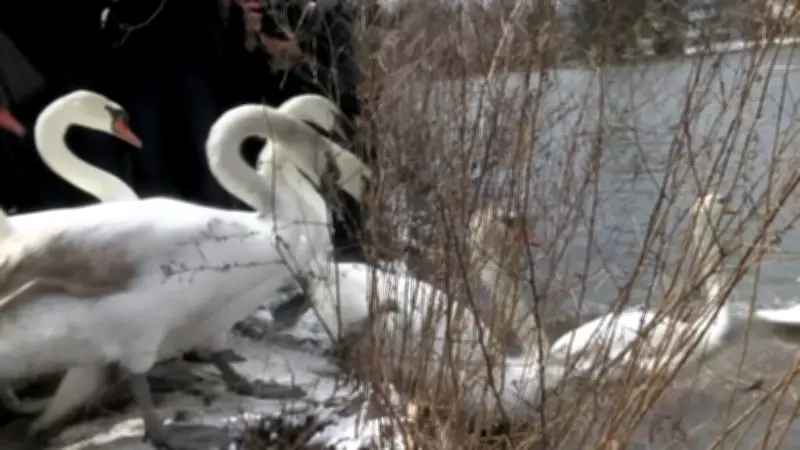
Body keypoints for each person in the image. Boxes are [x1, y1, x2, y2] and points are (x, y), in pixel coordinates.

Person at [226, 0, 371, 262]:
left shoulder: (331, 19)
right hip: (272, 156)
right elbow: (240, 99)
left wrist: (297, 58)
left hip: (327, 152)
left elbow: (348, 95)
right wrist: (247, 44)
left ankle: (348, 261)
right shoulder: (247, 24)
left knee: (345, 253)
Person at [98, 0, 231, 206]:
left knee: (206, 146)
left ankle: (221, 222)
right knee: (152, 156)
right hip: (136, 56)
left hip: (188, 44)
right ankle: (165, 225)